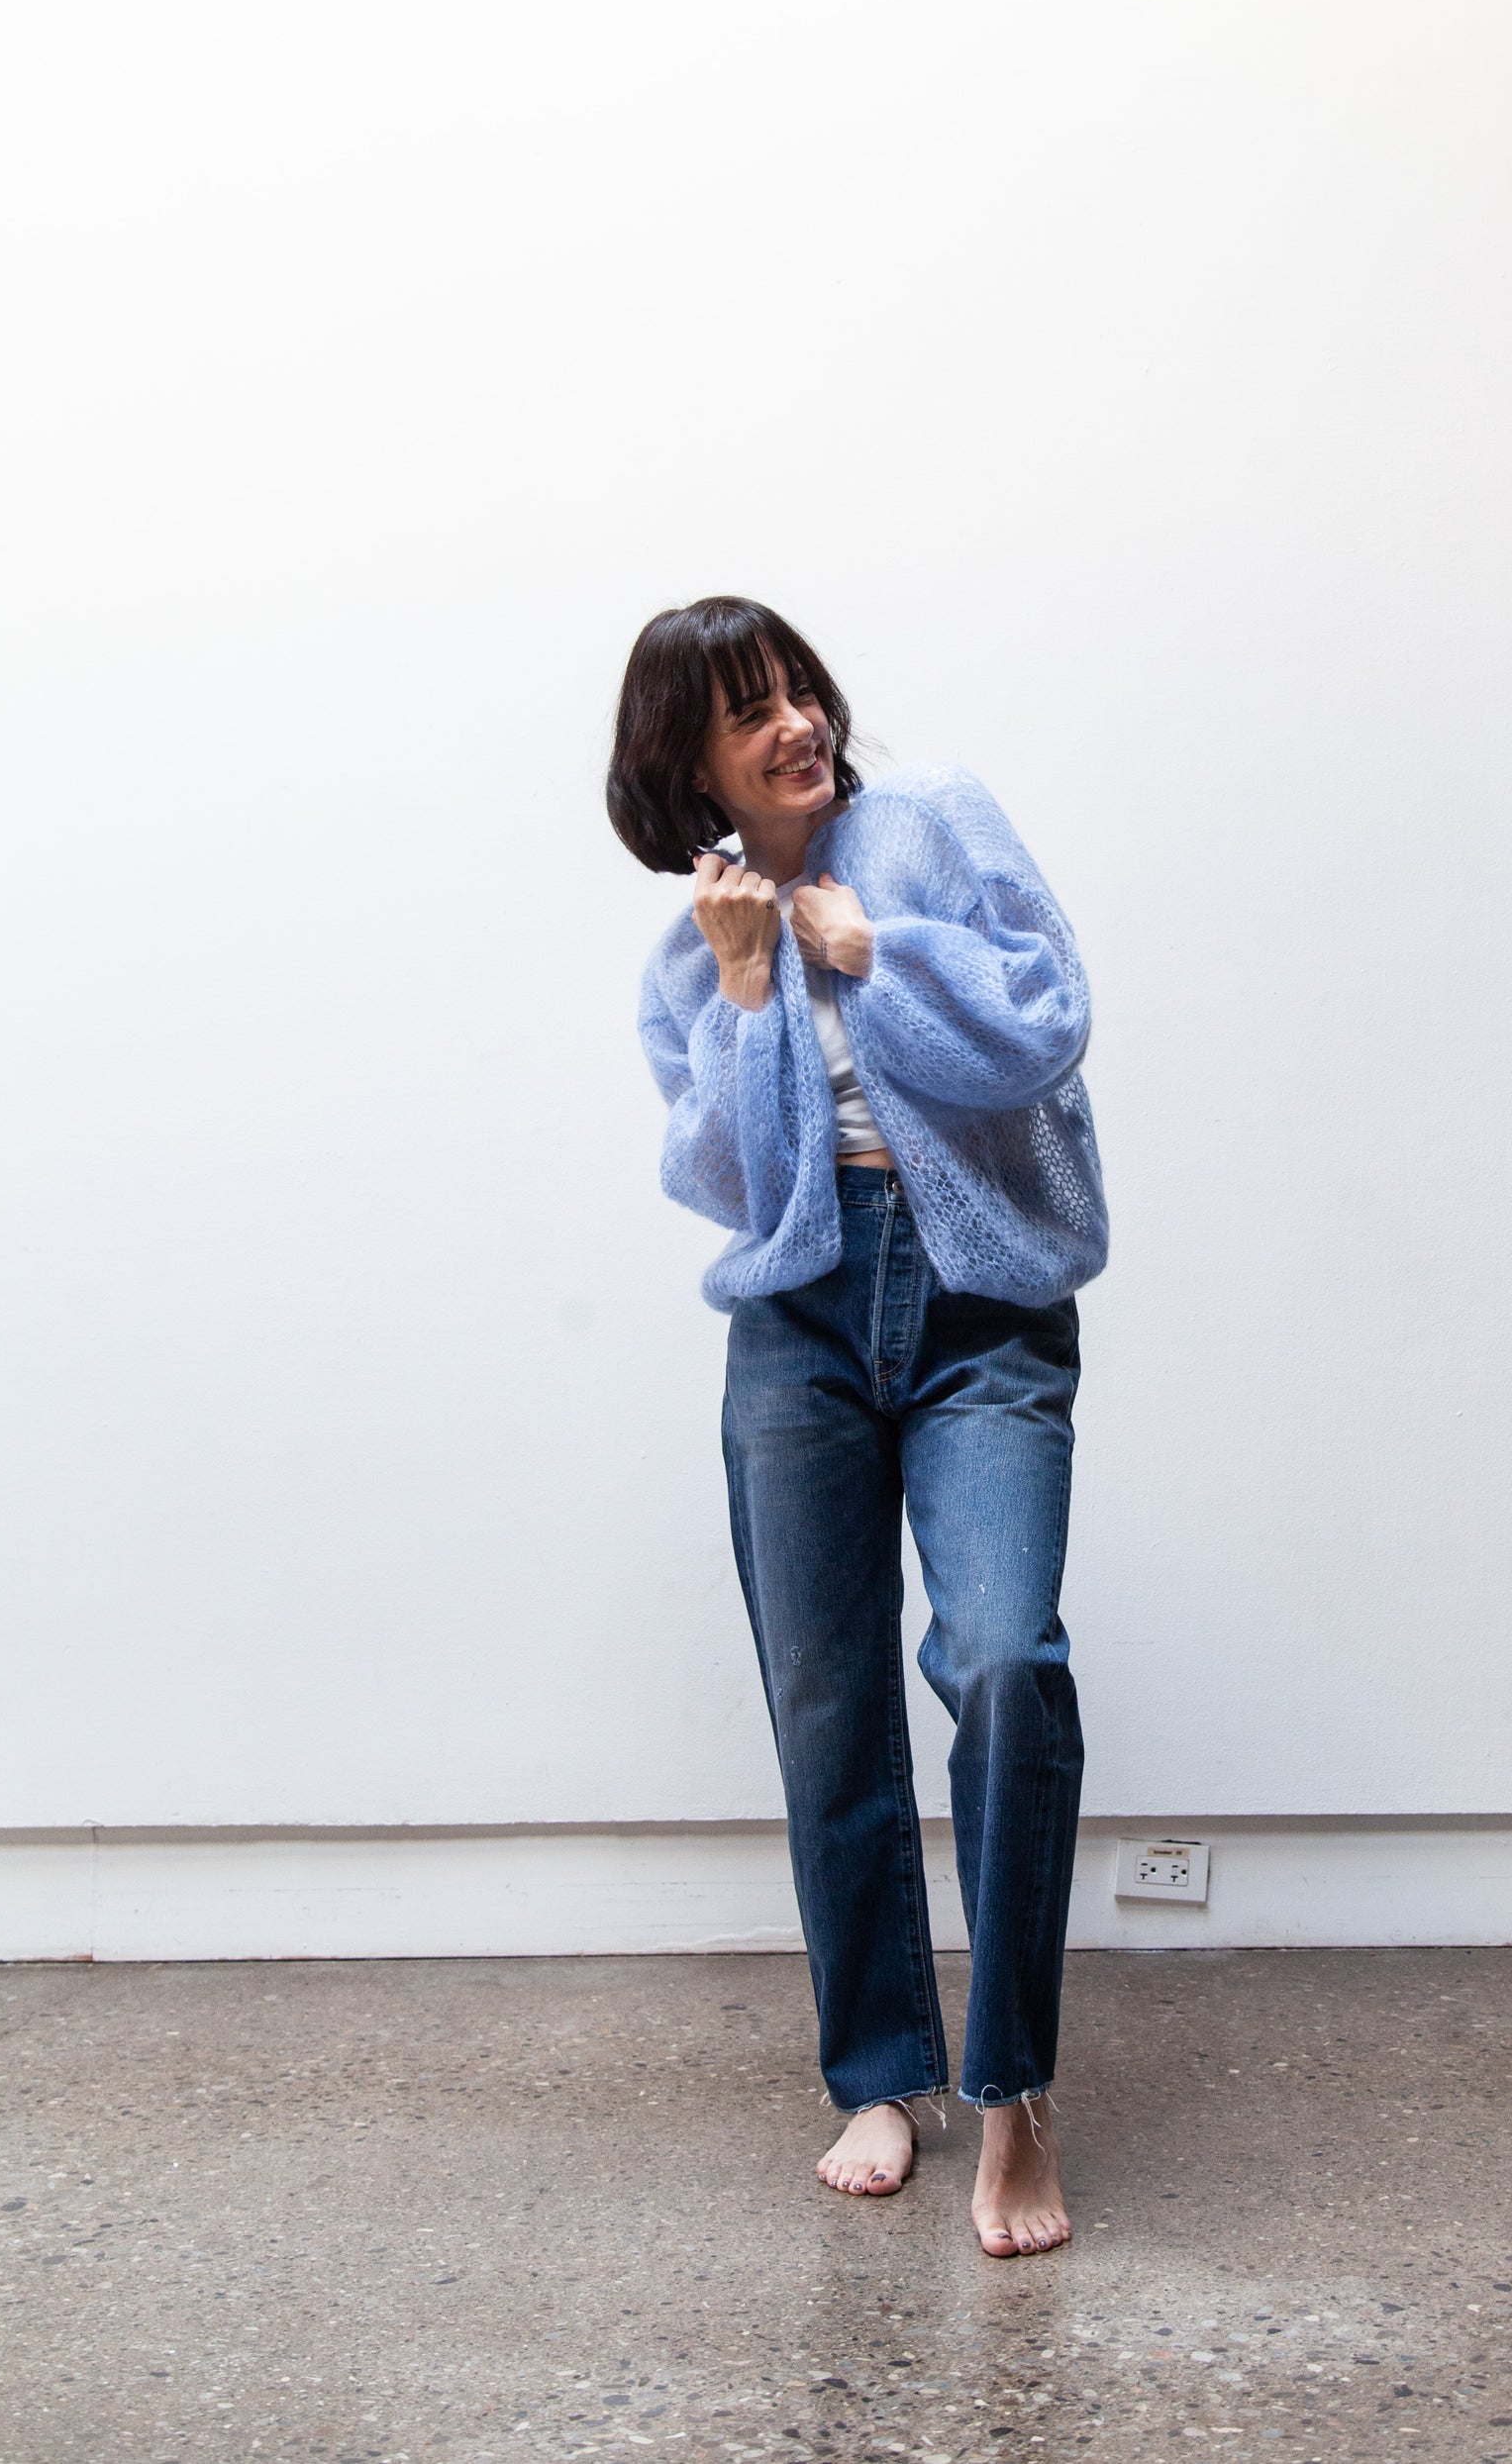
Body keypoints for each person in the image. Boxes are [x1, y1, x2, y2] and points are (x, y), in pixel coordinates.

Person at [607, 595, 1108, 2257]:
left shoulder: (932, 824)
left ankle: (1013, 2089)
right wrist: (752, 986)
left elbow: (1046, 1015)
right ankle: (880, 2078)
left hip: (980, 1310)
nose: (795, 725)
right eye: (746, 713)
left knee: (1004, 1659)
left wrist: (874, 952)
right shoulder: (687, 959)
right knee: (825, 1704)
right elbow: (727, 1183)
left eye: (798, 691)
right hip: (800, 1325)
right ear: (687, 763)